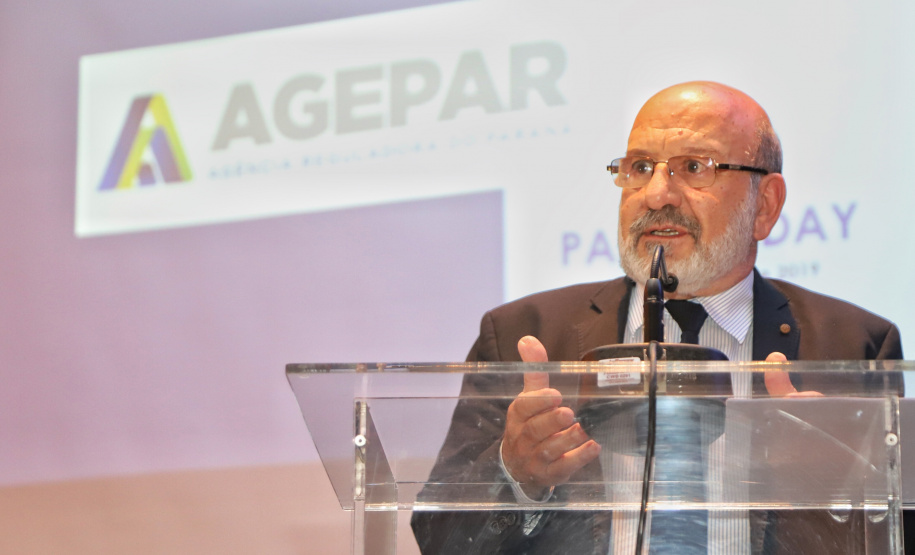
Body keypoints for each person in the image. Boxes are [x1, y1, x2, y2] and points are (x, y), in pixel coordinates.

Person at [411, 81, 903, 554]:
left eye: (694, 166)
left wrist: (840, 488)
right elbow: (438, 539)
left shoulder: (855, 346)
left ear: (765, 206)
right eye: (640, 167)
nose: (657, 194)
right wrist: (513, 475)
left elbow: (894, 533)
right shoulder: (524, 333)